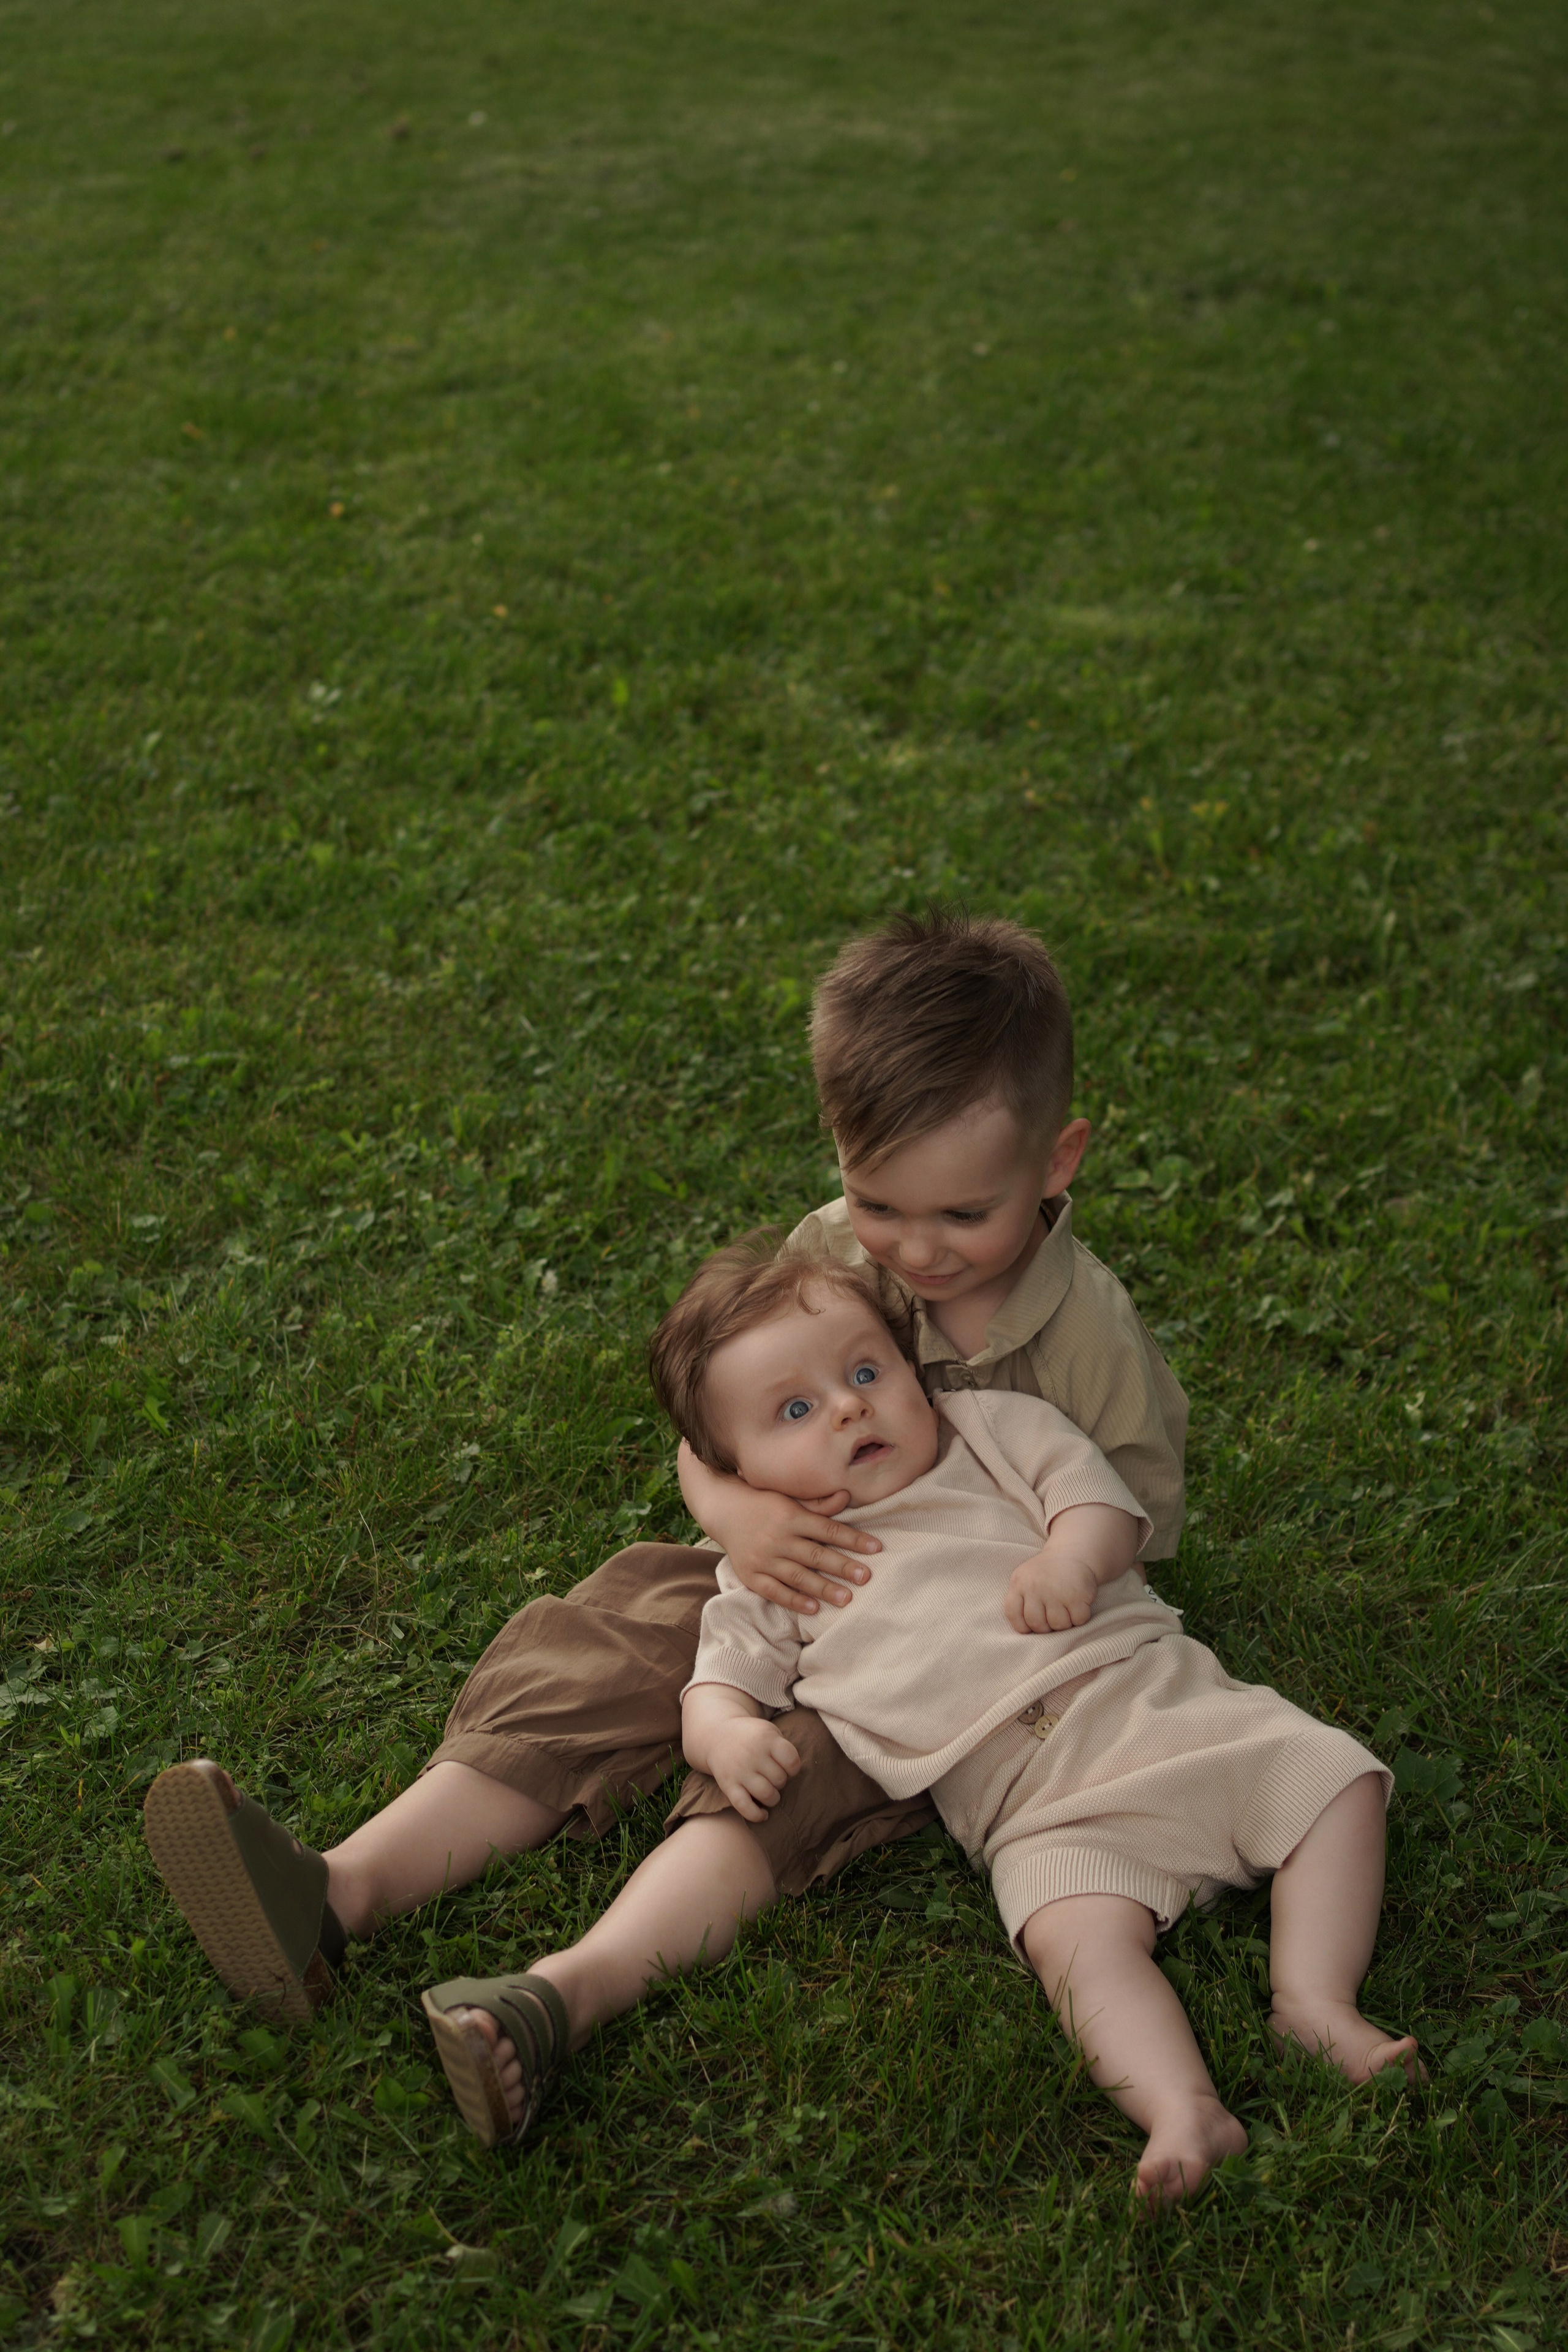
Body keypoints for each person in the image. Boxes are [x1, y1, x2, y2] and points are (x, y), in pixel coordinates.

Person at [143, 911, 1188, 2026]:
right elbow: (716, 1432)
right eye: (880, 1202)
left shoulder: (1089, 1336)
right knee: (610, 1636)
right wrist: (740, 1518)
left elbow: (1132, 1531)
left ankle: (565, 1996)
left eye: (963, 1215)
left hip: (963, 1651)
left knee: (778, 1769)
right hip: (794, 1561)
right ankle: (338, 1890)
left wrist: (1040, 1574)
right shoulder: (832, 1252)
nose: (916, 1250)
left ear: (1057, 1160)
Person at [419, 1245, 1417, 2205]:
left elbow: (1095, 1499)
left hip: (1162, 1711)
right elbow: (715, 1684)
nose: (851, 1405)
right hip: (1038, 1811)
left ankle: (1314, 2003)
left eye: (866, 1371)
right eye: (798, 1410)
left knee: (1335, 1782)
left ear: (913, 1369)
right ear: (741, 1474)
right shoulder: (779, 1571)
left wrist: (1073, 1558)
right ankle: (1182, 2110)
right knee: (1077, 1951)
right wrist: (724, 1735)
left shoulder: (991, 1430)